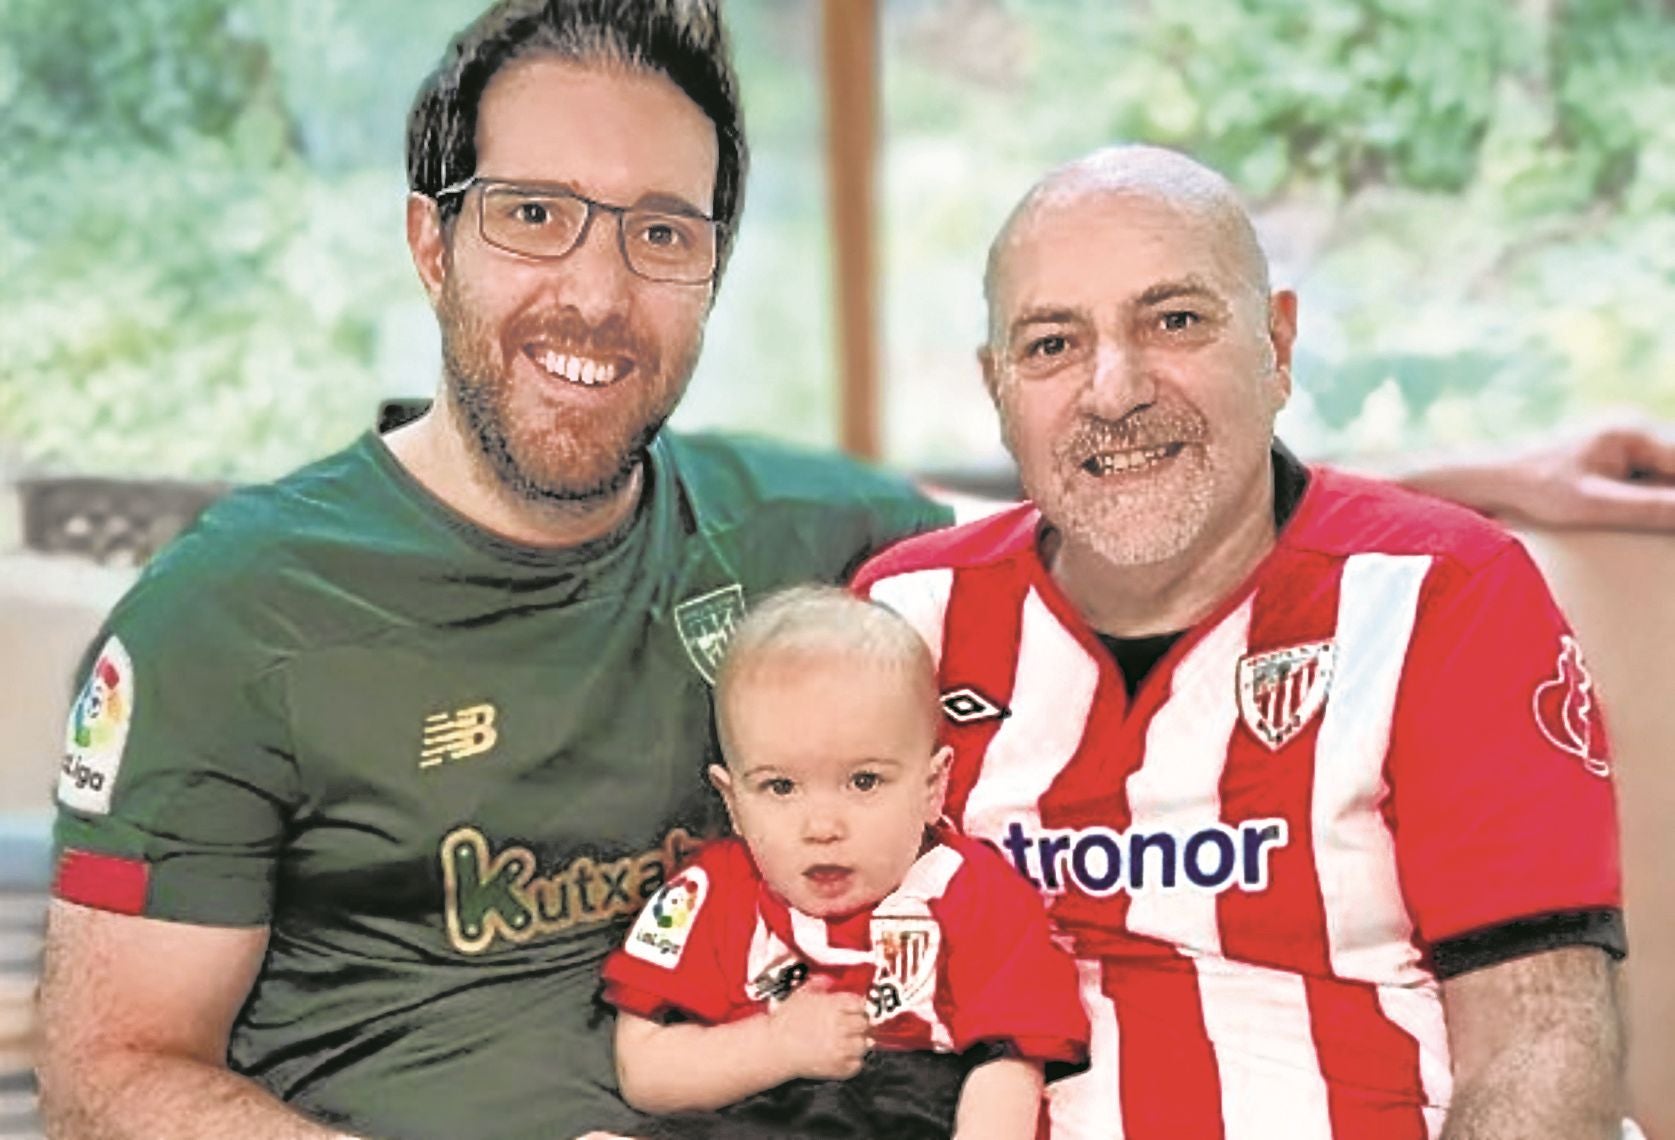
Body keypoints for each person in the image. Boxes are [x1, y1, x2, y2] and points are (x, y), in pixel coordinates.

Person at [36, 4, 951, 1139]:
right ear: (433, 245)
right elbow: (108, 1079)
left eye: (663, 234)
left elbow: (1102, 560)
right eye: (533, 216)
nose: (598, 296)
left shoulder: (814, 539)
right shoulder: (229, 617)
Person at [852, 144, 1629, 1138]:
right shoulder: (902, 616)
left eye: (1174, 320)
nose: (1114, 390)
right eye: (1051, 344)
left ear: (1279, 346)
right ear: (998, 387)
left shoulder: (1442, 593)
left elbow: (1542, 1046)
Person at [599, 586, 1089, 1139]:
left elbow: (1009, 1065)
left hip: (910, 1111)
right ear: (733, 802)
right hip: (750, 1115)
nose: (823, 827)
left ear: (932, 787)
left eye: (864, 781)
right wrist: (775, 1046)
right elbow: (642, 1070)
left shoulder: (975, 894)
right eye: (781, 787)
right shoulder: (707, 894)